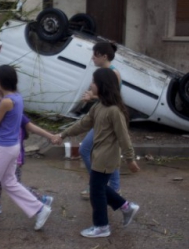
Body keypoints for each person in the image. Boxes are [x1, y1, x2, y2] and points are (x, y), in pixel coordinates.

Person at [52, 67, 140, 238]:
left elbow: (124, 137)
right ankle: (126, 207)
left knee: (96, 191)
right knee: (98, 188)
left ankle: (102, 226)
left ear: (102, 85)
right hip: (99, 155)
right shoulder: (99, 106)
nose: (91, 85)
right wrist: (63, 134)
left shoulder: (114, 111)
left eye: (93, 82)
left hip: (106, 157)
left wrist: (130, 159)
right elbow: (83, 124)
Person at [0, 65, 52, 234]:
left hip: (4, 148)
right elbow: (0, 121)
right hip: (12, 147)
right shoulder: (17, 98)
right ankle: (40, 209)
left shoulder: (5, 101)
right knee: (9, 183)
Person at [0, 113, 55, 215]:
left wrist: (51, 136)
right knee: (4, 182)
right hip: (11, 154)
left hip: (13, 156)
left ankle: (41, 200)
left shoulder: (14, 110)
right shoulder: (8, 109)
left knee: (12, 184)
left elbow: (32, 127)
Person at [79, 41, 122, 199]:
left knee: (89, 150)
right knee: (92, 151)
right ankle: (100, 184)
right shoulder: (101, 73)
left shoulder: (113, 73)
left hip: (109, 119)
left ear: (104, 56)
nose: (92, 59)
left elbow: (112, 97)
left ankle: (104, 186)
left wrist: (92, 96)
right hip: (100, 116)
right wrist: (90, 97)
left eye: (95, 55)